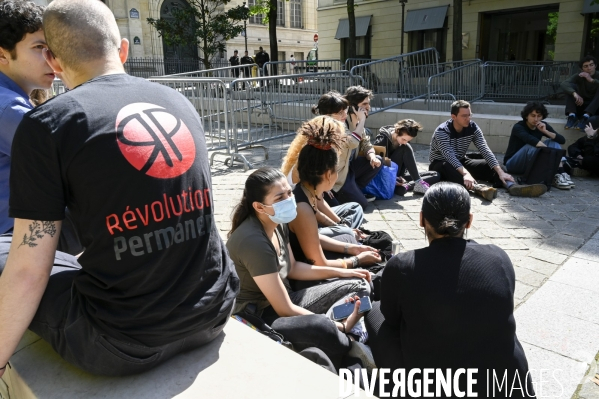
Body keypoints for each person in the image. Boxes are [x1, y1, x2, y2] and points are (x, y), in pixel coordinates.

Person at [0, 0, 238, 378]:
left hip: (119, 344)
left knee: (5, 252)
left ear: (54, 61)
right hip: (213, 314)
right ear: (123, 49)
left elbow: (29, 269)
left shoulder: (48, 124)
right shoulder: (177, 101)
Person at [365, 182, 535, 398]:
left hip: (435, 384)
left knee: (374, 311)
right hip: (503, 384)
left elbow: (391, 319)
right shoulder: (498, 257)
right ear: (469, 221)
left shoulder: (402, 266)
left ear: (421, 219)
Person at [226, 167, 374, 369]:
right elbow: (284, 308)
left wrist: (344, 272)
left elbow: (293, 267)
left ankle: (345, 328)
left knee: (361, 284)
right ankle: (347, 333)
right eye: (280, 197)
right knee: (322, 327)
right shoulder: (254, 242)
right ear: (259, 207)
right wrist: (337, 326)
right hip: (260, 314)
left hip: (284, 297)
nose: (289, 199)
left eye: (289, 192)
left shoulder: (277, 221)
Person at [0, 0, 82, 275]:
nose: (52, 59)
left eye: (52, 49)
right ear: (2, 55)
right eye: (39, 48)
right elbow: (72, 166)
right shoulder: (9, 109)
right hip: (12, 237)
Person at [287, 116, 382, 269]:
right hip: (305, 271)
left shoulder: (306, 189)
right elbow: (318, 263)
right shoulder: (302, 207)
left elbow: (314, 236)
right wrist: (356, 260)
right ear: (328, 175)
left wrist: (353, 249)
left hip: (310, 255)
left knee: (349, 234)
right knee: (362, 278)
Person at [281, 118, 364, 236]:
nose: (338, 142)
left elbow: (317, 201)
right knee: (347, 231)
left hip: (312, 214)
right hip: (305, 225)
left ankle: (347, 232)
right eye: (335, 137)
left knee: (355, 208)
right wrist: (343, 230)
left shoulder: (313, 159)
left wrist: (340, 224)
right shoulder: (307, 168)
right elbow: (313, 211)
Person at [428, 100, 516, 201]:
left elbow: (484, 149)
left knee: (495, 165)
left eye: (469, 115)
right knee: (448, 167)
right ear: (453, 117)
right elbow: (449, 156)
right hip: (441, 163)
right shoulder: (442, 131)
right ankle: (478, 188)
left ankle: (510, 185)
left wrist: (500, 172)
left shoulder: (473, 127)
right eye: (464, 116)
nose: (468, 118)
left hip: (461, 161)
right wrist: (466, 174)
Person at [504, 101, 571, 191]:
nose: (536, 119)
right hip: (513, 163)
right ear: (527, 116)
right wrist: (552, 154)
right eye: (533, 115)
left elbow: (561, 140)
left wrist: (545, 131)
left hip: (531, 162)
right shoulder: (518, 127)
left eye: (539, 116)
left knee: (553, 142)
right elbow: (532, 141)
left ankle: (561, 173)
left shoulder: (542, 125)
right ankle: (552, 173)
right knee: (532, 146)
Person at [374, 119, 440, 195]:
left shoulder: (403, 141)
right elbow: (378, 167)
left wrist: (401, 179)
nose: (405, 142)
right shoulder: (382, 139)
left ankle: (407, 186)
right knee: (405, 147)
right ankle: (417, 183)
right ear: (397, 131)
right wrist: (394, 179)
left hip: (400, 176)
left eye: (407, 140)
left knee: (435, 174)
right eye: (403, 139)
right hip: (387, 175)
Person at [561, 56, 599, 131]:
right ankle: (572, 116)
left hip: (595, 108)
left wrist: (591, 80)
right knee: (570, 87)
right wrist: (574, 93)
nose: (589, 68)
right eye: (586, 66)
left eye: (591, 65)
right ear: (582, 69)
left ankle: (586, 117)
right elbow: (564, 83)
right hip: (581, 105)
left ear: (595, 66)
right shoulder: (579, 76)